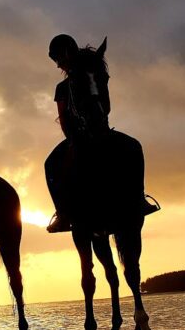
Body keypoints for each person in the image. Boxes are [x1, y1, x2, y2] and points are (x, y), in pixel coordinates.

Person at [45, 35, 158, 233]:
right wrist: (73, 139)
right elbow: (63, 118)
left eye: (59, 60)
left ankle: (139, 198)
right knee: (51, 164)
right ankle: (63, 214)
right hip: (77, 137)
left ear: (66, 55)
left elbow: (104, 102)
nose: (58, 66)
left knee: (134, 147)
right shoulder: (62, 88)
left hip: (103, 130)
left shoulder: (91, 74)